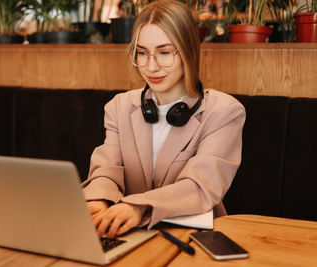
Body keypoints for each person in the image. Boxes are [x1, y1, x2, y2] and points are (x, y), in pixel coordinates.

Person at [82, 0, 245, 238]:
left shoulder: (224, 111)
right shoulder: (119, 106)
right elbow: (106, 169)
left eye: (164, 53)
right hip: (129, 234)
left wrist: (139, 206)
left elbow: (201, 187)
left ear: (188, 51)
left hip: (193, 236)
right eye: (142, 53)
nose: (151, 67)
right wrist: (98, 200)